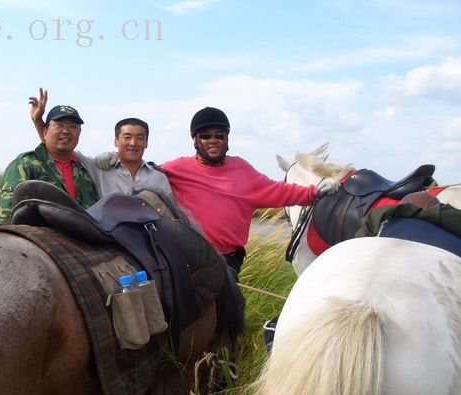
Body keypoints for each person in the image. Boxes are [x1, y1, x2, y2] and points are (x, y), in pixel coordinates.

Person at [159, 107, 339, 275]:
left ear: (226, 139)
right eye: (206, 136)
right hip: (189, 259)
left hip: (227, 262)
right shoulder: (176, 169)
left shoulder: (242, 169)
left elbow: (278, 190)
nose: (213, 140)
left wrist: (315, 192)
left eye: (219, 135)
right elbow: (145, 177)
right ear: (195, 140)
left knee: (229, 308)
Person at [29, 88, 172, 197]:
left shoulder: (158, 178)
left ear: (146, 143)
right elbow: (59, 148)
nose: (133, 143)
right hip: (106, 235)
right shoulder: (98, 168)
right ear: (116, 141)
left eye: (140, 138)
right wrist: (38, 121)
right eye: (127, 137)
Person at [0, 103, 99, 225]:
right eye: (59, 125)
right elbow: (8, 217)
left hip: (79, 239)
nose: (66, 131)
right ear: (45, 131)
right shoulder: (24, 164)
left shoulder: (84, 170)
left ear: (79, 134)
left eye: (73, 126)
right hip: (37, 239)